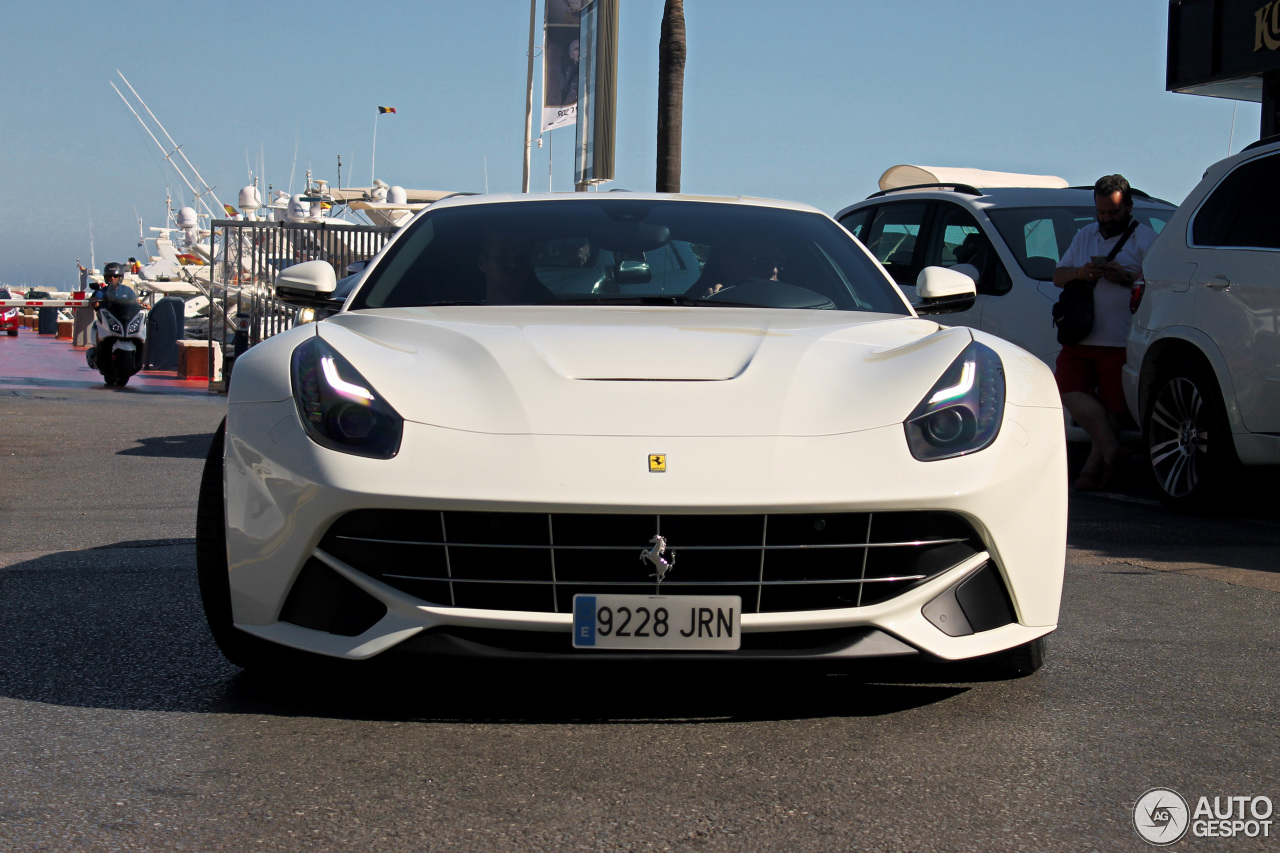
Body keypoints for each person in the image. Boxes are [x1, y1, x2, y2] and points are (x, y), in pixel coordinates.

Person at [1052, 174, 1157, 491]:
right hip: (1081, 333)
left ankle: (1093, 469)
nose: (1107, 219)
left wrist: (1124, 276)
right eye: (1101, 213)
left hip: (1120, 338)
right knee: (1068, 389)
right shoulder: (1085, 235)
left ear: (1128, 206)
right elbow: (1058, 275)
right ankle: (1112, 452)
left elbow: (1155, 285)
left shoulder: (1146, 240)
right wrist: (1083, 272)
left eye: (1113, 212)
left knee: (1113, 408)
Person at [476, 233, 555, 305]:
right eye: (502, 257)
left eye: (520, 258)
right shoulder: (466, 313)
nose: (513, 264)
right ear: (483, 263)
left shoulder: (553, 311)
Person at [697, 238, 785, 298]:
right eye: (763, 260)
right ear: (729, 266)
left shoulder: (794, 305)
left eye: (779, 261)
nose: (774, 270)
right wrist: (716, 301)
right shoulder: (715, 299)